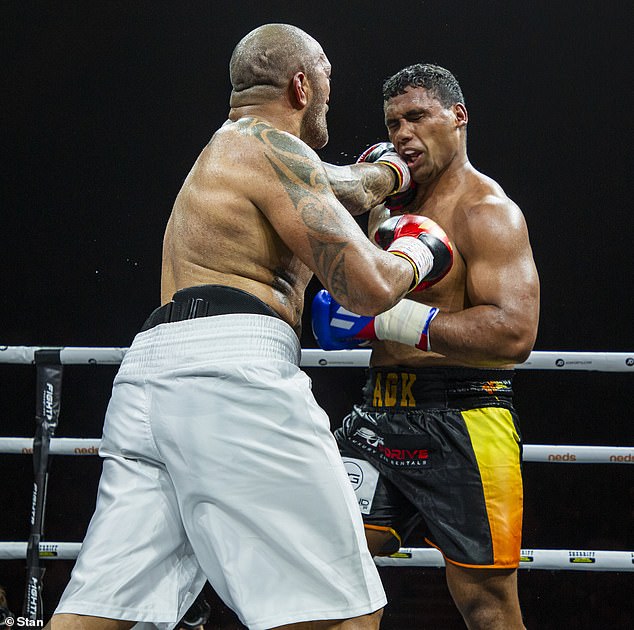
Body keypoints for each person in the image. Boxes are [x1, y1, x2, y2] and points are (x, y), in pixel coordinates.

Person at [47, 27, 453, 630]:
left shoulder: (239, 148)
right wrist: (417, 255)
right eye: (328, 86)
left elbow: (339, 183)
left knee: (101, 611)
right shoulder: (271, 148)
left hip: (153, 383)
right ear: (301, 86)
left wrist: (389, 175)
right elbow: (363, 287)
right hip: (229, 378)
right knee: (346, 614)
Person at [313, 63, 540, 630]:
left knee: (485, 602)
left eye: (417, 116)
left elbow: (515, 332)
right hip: (379, 412)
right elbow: (353, 305)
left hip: (466, 414)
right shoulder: (387, 207)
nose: (402, 134)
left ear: (457, 118)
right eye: (393, 123)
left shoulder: (487, 214)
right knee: (329, 570)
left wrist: (394, 320)